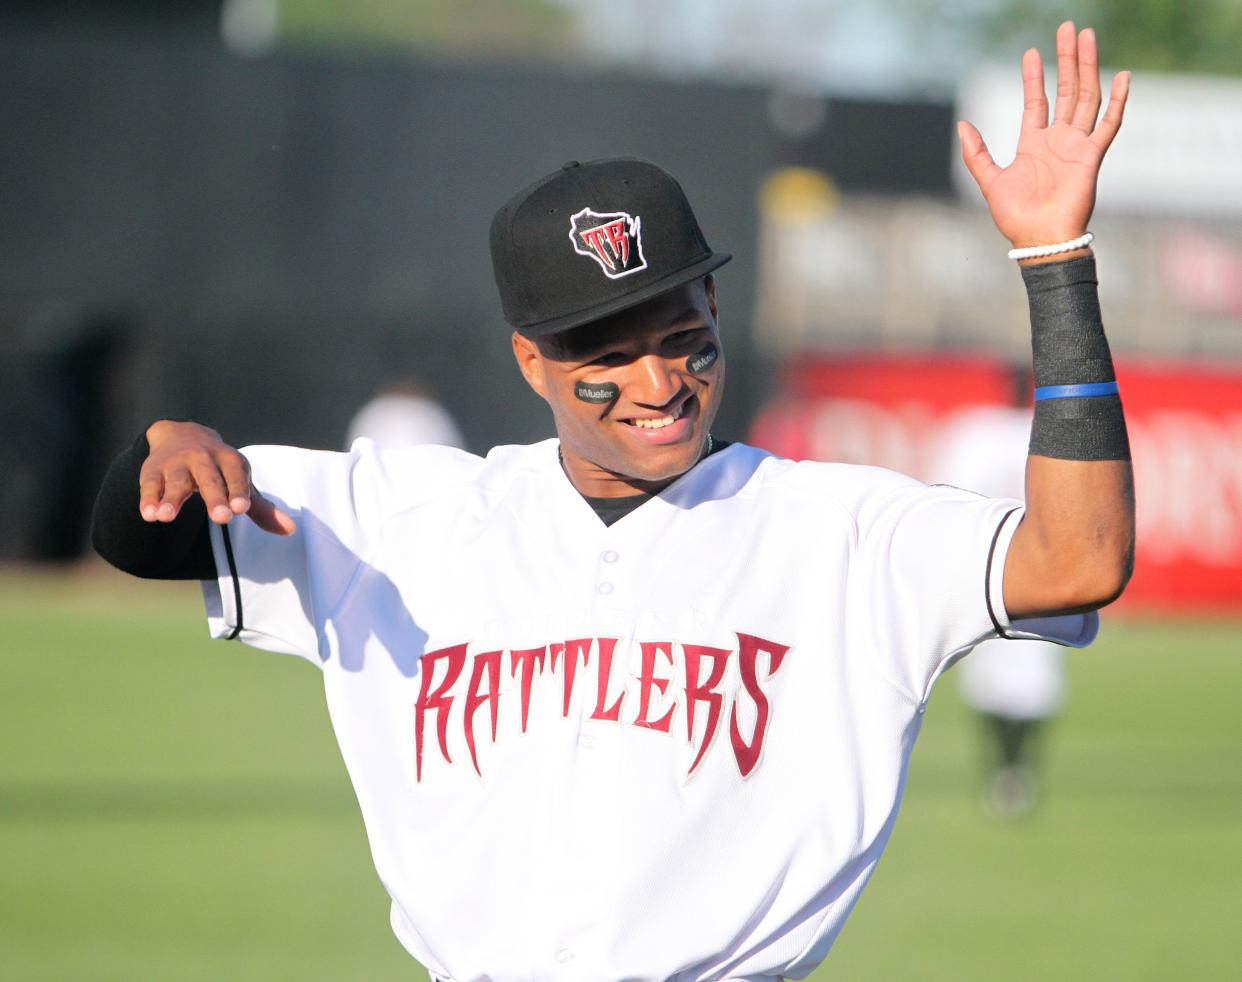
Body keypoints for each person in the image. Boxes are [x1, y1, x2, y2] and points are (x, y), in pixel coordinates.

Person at [91, 23, 1134, 981]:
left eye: (678, 331)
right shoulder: (408, 512)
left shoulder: (845, 534)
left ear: (715, 304)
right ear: (530, 361)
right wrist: (165, 447)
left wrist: (1054, 264)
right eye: (605, 349)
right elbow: (140, 536)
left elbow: (1077, 560)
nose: (657, 380)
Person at [929, 372, 1066, 818]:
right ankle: (1006, 771)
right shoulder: (983, 433)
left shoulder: (990, 434)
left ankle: (1016, 769)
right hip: (993, 570)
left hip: (1028, 569)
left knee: (1032, 680)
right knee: (996, 681)